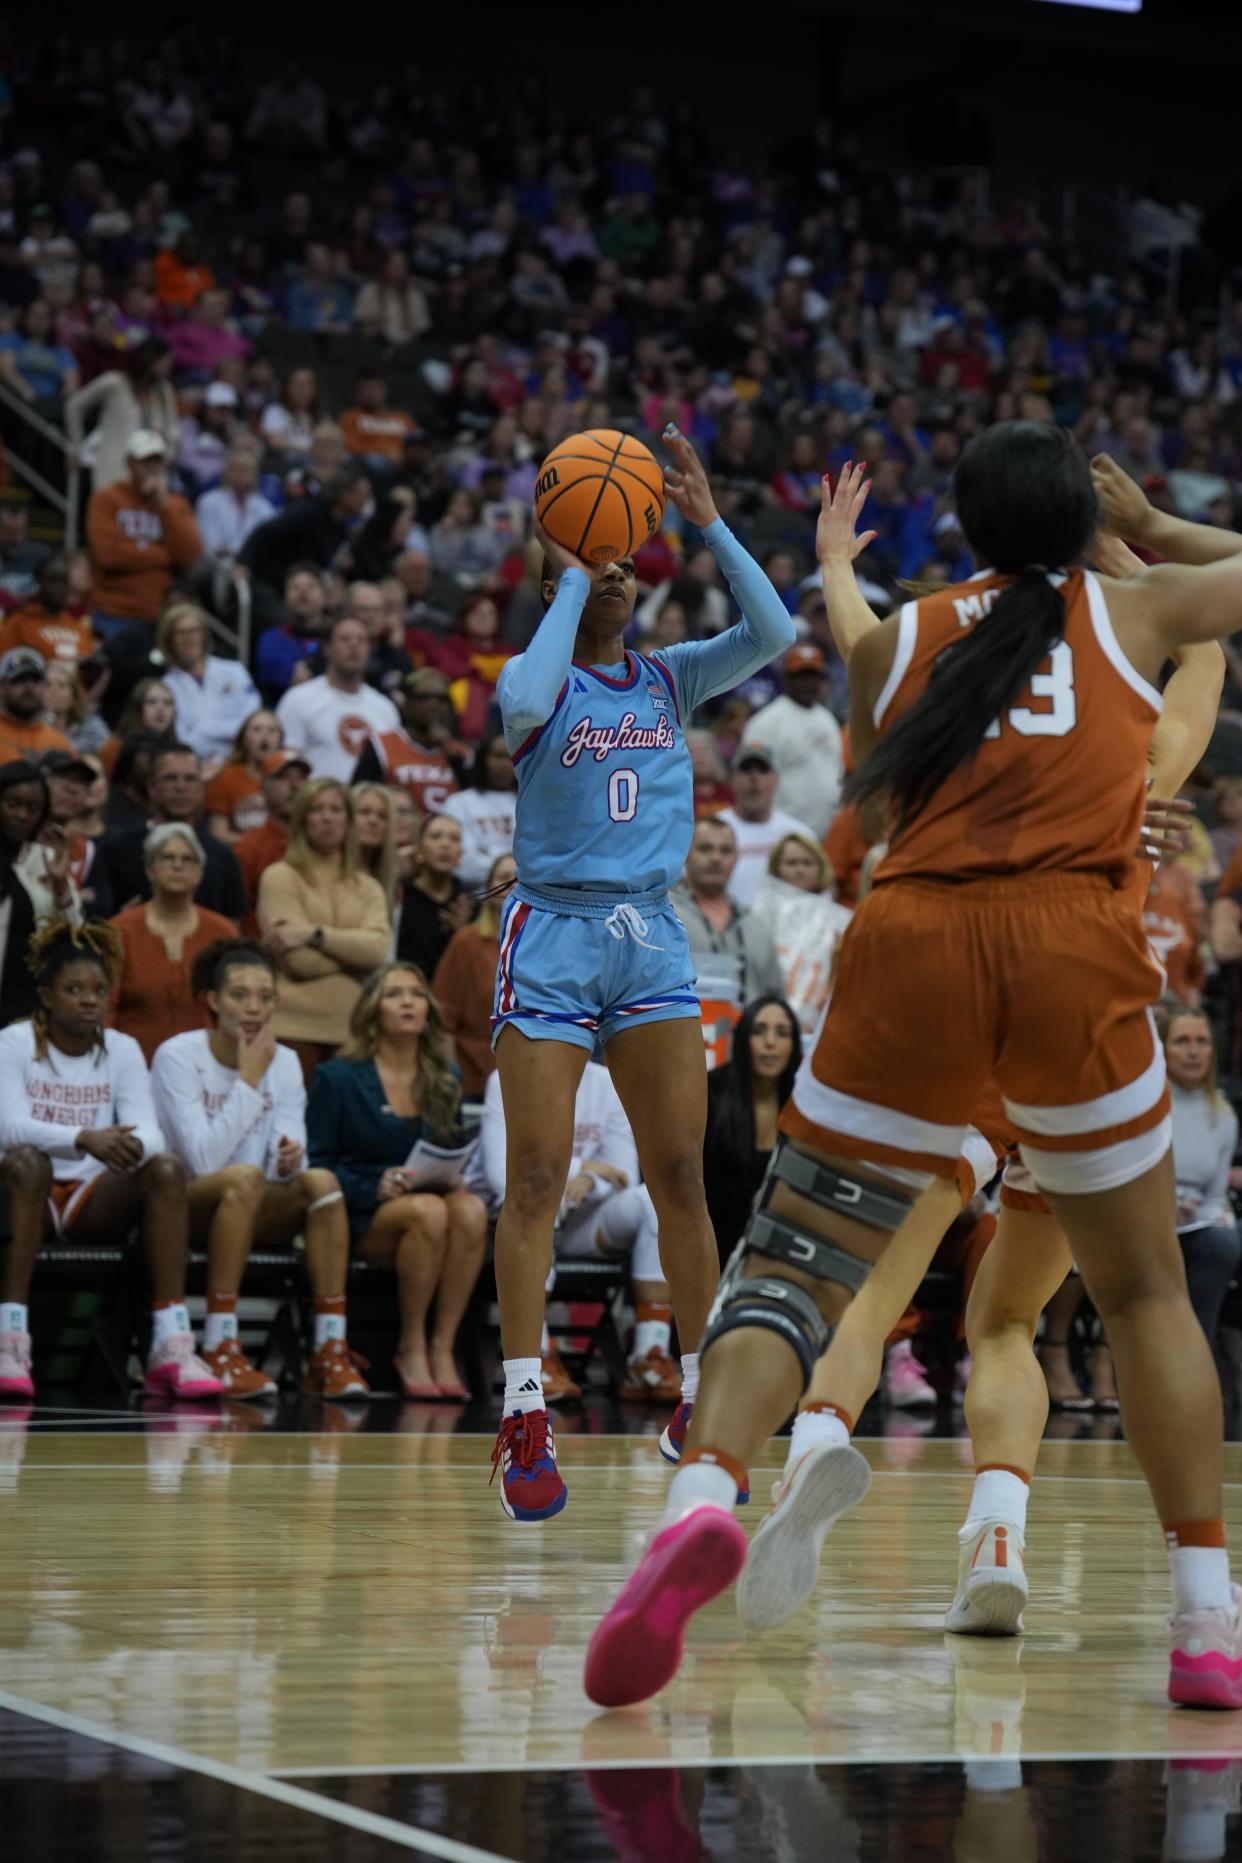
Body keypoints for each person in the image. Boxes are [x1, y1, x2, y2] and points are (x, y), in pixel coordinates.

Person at [583, 428, 1242, 1713]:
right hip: (1073, 951)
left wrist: (837, 560)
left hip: (917, 944)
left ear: (967, 528)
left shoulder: (900, 640)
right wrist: (1156, 527)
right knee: (1148, 1296)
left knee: (797, 1266)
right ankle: (1205, 1621)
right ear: (1080, 523)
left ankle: (703, 1493)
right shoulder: (1145, 603)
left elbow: (877, 802)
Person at [490, 424, 795, 1522]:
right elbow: (522, 705)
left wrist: (707, 520)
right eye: (594, 559)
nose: (616, 571)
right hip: (555, 937)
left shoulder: (670, 678)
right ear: (562, 568)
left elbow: (777, 627)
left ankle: (705, 1399)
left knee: (681, 1176)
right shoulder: (538, 680)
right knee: (532, 1178)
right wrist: (569, 577)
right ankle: (524, 1407)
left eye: (626, 560)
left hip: (649, 937)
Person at [0, 919, 222, 1402]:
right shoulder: (13, 1043)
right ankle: (10, 1339)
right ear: (45, 995)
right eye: (74, 989)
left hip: (89, 1198)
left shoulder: (121, 1049)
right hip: (24, 1196)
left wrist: (134, 1147)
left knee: (165, 1169)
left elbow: (149, 1132)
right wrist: (84, 1138)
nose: (89, 999)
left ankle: (171, 1341)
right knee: (27, 1161)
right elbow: (9, 1126)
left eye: (99, 990)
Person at [151, 939, 371, 1401]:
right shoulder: (177, 1056)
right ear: (212, 1000)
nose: (254, 1008)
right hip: (185, 1210)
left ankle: (330, 1348)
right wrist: (248, 1078)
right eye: (239, 995)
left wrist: (291, 1157)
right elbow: (202, 1160)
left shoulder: (285, 1061)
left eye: (265, 996)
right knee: (243, 1178)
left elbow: (288, 1155)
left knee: (322, 1183)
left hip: (254, 1201)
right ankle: (219, 1346)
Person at [306, 963, 489, 1398]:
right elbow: (318, 1166)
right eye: (394, 994)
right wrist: (374, 1186)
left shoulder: (446, 1078)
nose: (408, 1002)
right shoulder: (338, 1077)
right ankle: (410, 1344)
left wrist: (451, 1175)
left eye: (416, 993)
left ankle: (442, 1346)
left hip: (429, 1205)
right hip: (360, 1213)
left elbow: (445, 1147)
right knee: (429, 1213)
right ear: (372, 1010)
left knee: (470, 1209)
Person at [478, 1056, 685, 1404]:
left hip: (586, 1219)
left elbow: (623, 1174)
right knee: (538, 1195)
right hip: (522, 1219)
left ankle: (648, 1355)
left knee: (651, 1200)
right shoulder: (505, 1080)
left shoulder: (607, 1082)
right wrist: (581, 1168)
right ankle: (536, 1356)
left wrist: (589, 1181)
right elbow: (500, 1174)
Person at [257, 777, 390, 1081]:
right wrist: (353, 953)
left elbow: (378, 952)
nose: (327, 817)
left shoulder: (368, 886)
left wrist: (313, 934)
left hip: (353, 1031)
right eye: (317, 809)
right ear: (303, 818)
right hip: (291, 1030)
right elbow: (300, 962)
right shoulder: (279, 877)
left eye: (336, 809)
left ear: (348, 819)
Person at [109, 822, 239, 1063]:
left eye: (187, 859)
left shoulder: (222, 933)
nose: (178, 865)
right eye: (168, 858)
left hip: (206, 1068)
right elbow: (106, 1008)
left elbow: (234, 1006)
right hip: (133, 1067)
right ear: (150, 869)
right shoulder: (119, 930)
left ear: (200, 873)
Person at [1164, 1009, 1241, 1390]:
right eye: (1182, 1042)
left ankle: (1197, 1358)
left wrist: (1214, 1214)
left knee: (1224, 1242)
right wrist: (1164, 1205)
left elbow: (1214, 1195)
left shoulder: (1223, 1115)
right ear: (1162, 1050)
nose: (1193, 1051)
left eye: (1202, 1042)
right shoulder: (1148, 1107)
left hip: (1194, 1223)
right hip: (1143, 1219)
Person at [92, 743, 246, 922]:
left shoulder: (223, 855)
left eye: (190, 779)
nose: (181, 787)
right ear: (152, 787)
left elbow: (232, 929)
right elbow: (98, 922)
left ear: (202, 788)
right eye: (170, 778)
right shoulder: (115, 850)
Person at [703, 996, 803, 1267]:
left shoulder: (803, 1102)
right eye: (759, 1031)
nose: (770, 1042)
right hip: (716, 1238)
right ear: (743, 1038)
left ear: (794, 1045)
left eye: (782, 1033)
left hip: (785, 1239)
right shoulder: (710, 1091)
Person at [86, 430, 203, 640]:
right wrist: (166, 555)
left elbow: (190, 556)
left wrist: (163, 505)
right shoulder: (105, 499)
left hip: (162, 614)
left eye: (157, 461)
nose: (152, 467)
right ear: (130, 462)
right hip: (114, 612)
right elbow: (108, 555)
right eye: (145, 461)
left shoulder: (176, 505)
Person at [671, 815, 784, 1011]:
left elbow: (776, 999)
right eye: (705, 849)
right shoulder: (665, 914)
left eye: (725, 851)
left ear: (736, 858)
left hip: (748, 1038)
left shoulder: (757, 925)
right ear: (686, 853)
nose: (716, 858)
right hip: (685, 1035)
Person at [274, 613, 400, 782]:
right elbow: (286, 763)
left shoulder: (385, 708)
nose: (354, 645)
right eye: (345, 639)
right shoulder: (298, 699)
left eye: (361, 640)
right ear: (327, 648)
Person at [749, 832, 853, 1034]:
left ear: (821, 868)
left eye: (807, 863)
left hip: (818, 1024)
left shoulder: (842, 921)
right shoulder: (757, 914)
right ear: (776, 868)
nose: (800, 870)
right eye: (791, 863)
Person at [0, 761, 80, 1024]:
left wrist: (60, 884)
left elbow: (74, 935)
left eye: (33, 809)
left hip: (27, 1008)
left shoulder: (46, 860)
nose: (22, 815)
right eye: (13, 804)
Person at [432, 852, 516, 1100]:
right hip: (474, 1080)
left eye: (519, 878)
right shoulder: (467, 942)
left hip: (531, 1075)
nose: (512, 885)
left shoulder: (546, 945)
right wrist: (450, 1078)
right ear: (489, 888)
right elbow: (442, 1018)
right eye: (503, 877)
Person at [745, 643, 845, 839]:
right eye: (801, 676)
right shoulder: (766, 722)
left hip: (830, 831)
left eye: (813, 676)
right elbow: (750, 779)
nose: (808, 683)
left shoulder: (826, 717)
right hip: (784, 836)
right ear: (786, 679)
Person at [238, 464, 372, 598]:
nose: (367, 500)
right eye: (363, 494)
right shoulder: (309, 511)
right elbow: (266, 531)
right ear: (345, 494)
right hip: (266, 581)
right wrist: (243, 563)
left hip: (298, 588)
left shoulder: (341, 528)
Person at [65, 334, 178, 491]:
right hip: (114, 472)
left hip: (151, 478)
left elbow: (172, 429)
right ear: (150, 360)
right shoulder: (115, 383)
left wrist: (169, 453)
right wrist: (75, 446)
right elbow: (74, 406)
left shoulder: (164, 391)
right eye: (165, 362)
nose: (169, 367)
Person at [156, 601, 261, 768]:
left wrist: (205, 730)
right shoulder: (165, 687)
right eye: (180, 633)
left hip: (241, 762)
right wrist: (227, 733)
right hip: (195, 766)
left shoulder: (234, 671)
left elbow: (253, 720)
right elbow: (182, 738)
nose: (189, 639)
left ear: (204, 635)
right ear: (169, 640)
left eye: (194, 631)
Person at [716, 744, 815, 908]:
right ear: (732, 780)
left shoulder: (799, 834)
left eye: (763, 771)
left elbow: (820, 890)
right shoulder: (712, 830)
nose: (754, 778)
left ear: (776, 781)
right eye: (746, 770)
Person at [351, 666, 460, 813]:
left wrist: (452, 754)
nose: (433, 705)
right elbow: (358, 797)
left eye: (441, 699)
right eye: (423, 698)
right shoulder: (381, 745)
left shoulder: (461, 753)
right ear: (407, 704)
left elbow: (474, 801)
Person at [233, 750, 309, 932]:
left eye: (301, 777)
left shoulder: (325, 843)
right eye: (283, 777)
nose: (294, 785)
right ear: (263, 787)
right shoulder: (248, 849)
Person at [441, 731, 516, 890]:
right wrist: (517, 870)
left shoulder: (529, 803)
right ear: (482, 759)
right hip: (476, 900)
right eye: (497, 756)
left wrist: (489, 852)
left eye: (510, 757)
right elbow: (463, 865)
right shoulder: (460, 802)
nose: (504, 764)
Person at [0, 553, 97, 666]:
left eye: (63, 582)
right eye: (52, 581)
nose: (58, 588)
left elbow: (90, 664)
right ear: (39, 583)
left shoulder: (78, 626)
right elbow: (4, 667)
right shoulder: (19, 622)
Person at [204, 709, 284, 842]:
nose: (265, 735)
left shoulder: (290, 781)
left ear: (280, 741)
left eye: (272, 730)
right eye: (256, 729)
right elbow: (218, 834)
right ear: (244, 739)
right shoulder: (225, 777)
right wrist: (256, 845)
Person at [255, 562, 328, 699]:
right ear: (285, 596)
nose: (303, 593)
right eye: (295, 587)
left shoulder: (335, 639)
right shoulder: (271, 639)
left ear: (324, 596)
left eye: (310, 587)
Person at [195, 441, 276, 559]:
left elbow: (268, 544)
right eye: (236, 470)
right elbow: (210, 546)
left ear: (256, 475)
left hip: (253, 565)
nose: (240, 476)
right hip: (216, 565)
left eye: (246, 470)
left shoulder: (263, 506)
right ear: (226, 473)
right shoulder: (209, 502)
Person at [0, 649, 70, 762]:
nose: (29, 687)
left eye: (36, 680)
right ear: (2, 687)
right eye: (19, 679)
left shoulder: (58, 743)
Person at [98, 676, 177, 776]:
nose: (161, 708)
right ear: (137, 709)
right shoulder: (115, 748)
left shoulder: (177, 751)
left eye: (167, 703)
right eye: (151, 702)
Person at [350, 780, 401, 934]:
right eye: (364, 812)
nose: (373, 821)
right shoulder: (326, 871)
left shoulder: (391, 883)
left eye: (382, 816)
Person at [42, 662, 110, 758]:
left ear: (73, 696)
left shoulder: (92, 726)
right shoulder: (29, 726)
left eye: (61, 685)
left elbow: (108, 755)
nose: (53, 691)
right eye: (47, 685)